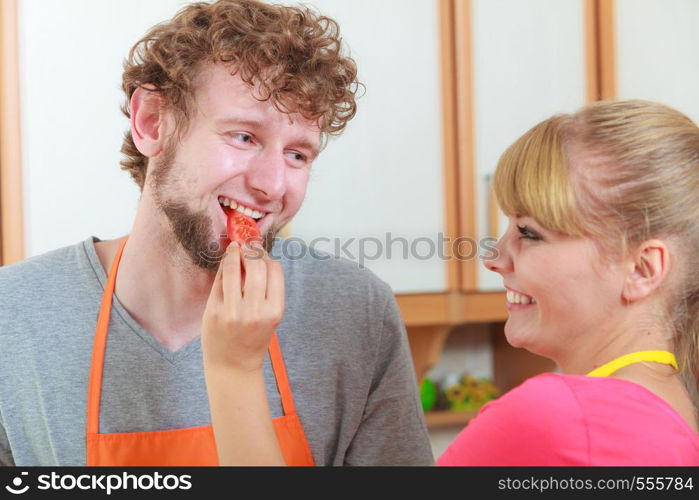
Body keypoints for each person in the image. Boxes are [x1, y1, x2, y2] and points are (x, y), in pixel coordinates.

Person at [0, 0, 433, 466]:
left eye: (298, 155)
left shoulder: (356, 311)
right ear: (151, 122)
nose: (272, 185)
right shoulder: (14, 313)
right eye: (244, 137)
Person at [438, 100, 699, 465]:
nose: (494, 258)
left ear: (642, 269)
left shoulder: (559, 417)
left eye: (529, 233)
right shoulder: (677, 403)